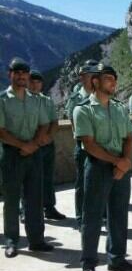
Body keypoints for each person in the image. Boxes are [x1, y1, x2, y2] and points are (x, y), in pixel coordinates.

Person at [73, 64, 132, 271]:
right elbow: (89, 145)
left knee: (119, 215)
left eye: (114, 79)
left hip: (121, 166)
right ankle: (89, 262)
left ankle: (117, 258)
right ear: (95, 82)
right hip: (98, 167)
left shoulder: (119, 108)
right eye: (108, 78)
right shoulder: (83, 109)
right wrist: (119, 162)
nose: (113, 83)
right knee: (92, 216)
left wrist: (125, 161)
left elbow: (129, 137)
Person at [0, 58, 53, 258]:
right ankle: (11, 241)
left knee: (35, 198)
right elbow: (1, 131)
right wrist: (23, 146)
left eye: (24, 73)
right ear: (10, 75)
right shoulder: (2, 100)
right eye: (17, 72)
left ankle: (37, 240)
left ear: (28, 76)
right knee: (12, 199)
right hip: (11, 154)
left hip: (34, 153)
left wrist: (35, 144)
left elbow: (44, 124)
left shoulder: (35, 100)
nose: (21, 76)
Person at [64, 60, 99, 228]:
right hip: (84, 145)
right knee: (82, 184)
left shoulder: (101, 95)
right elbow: (73, 122)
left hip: (102, 145)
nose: (92, 79)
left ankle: (101, 214)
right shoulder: (76, 98)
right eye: (88, 76)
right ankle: (81, 217)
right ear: (82, 78)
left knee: (101, 182)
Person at [28, 70, 65, 220]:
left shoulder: (47, 101)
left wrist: (49, 137)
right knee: (28, 179)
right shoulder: (23, 100)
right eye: (32, 82)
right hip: (30, 144)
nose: (35, 85)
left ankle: (49, 207)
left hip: (47, 145)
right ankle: (25, 210)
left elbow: (54, 122)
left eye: (38, 82)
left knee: (47, 177)